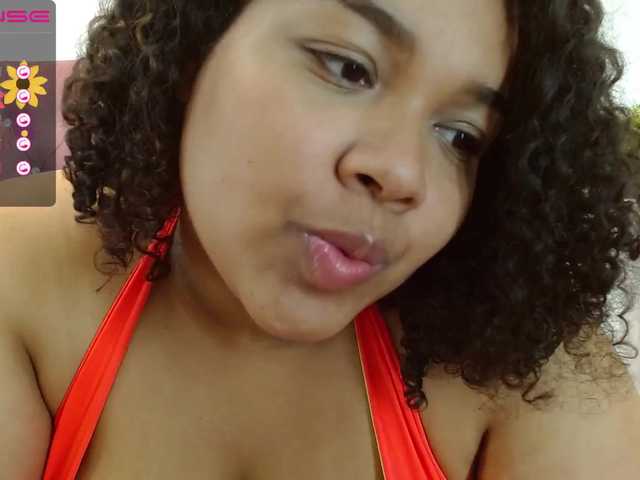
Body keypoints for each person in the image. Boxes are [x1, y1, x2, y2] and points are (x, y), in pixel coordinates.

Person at [1, 0, 640, 478]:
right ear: (198, 41)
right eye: (348, 68)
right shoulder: (26, 269)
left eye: (460, 137)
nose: (402, 174)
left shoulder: (529, 375)